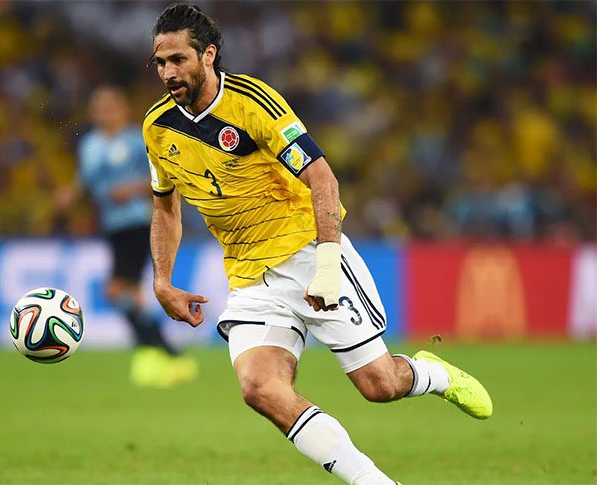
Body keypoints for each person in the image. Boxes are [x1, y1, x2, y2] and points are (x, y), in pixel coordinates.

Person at [143, 4, 492, 484]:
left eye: (178, 59)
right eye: (160, 62)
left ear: (208, 55)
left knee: (379, 384)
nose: (168, 73)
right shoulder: (157, 127)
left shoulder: (253, 104)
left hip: (308, 253)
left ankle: (435, 375)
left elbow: (322, 178)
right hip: (250, 277)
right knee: (260, 388)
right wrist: (162, 280)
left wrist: (328, 266)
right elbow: (165, 206)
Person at [78, 85, 198, 388]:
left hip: (136, 222)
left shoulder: (137, 140)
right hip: (112, 227)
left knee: (117, 291)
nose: (105, 113)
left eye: (110, 107)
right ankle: (157, 354)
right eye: (99, 109)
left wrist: (131, 190)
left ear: (123, 110)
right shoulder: (90, 145)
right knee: (131, 296)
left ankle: (165, 352)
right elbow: (89, 184)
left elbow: (162, 177)